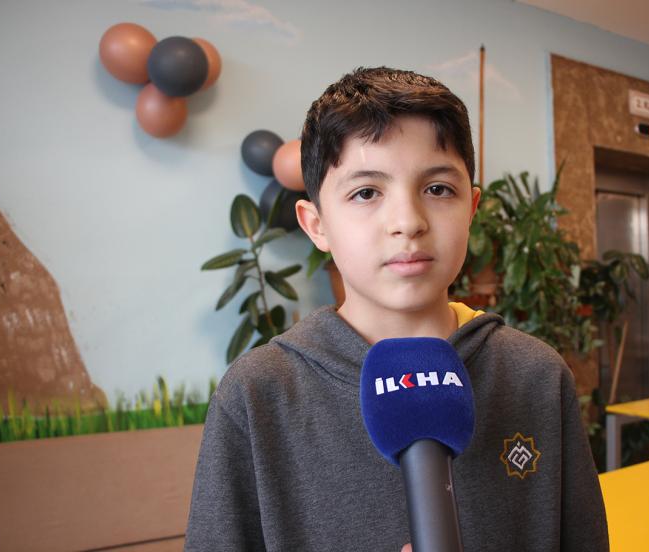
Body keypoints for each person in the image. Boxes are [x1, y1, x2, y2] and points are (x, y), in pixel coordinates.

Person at [184, 67, 608, 551]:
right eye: (366, 192)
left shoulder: (537, 376)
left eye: (438, 189)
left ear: (471, 210)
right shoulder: (257, 394)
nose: (408, 221)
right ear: (316, 224)